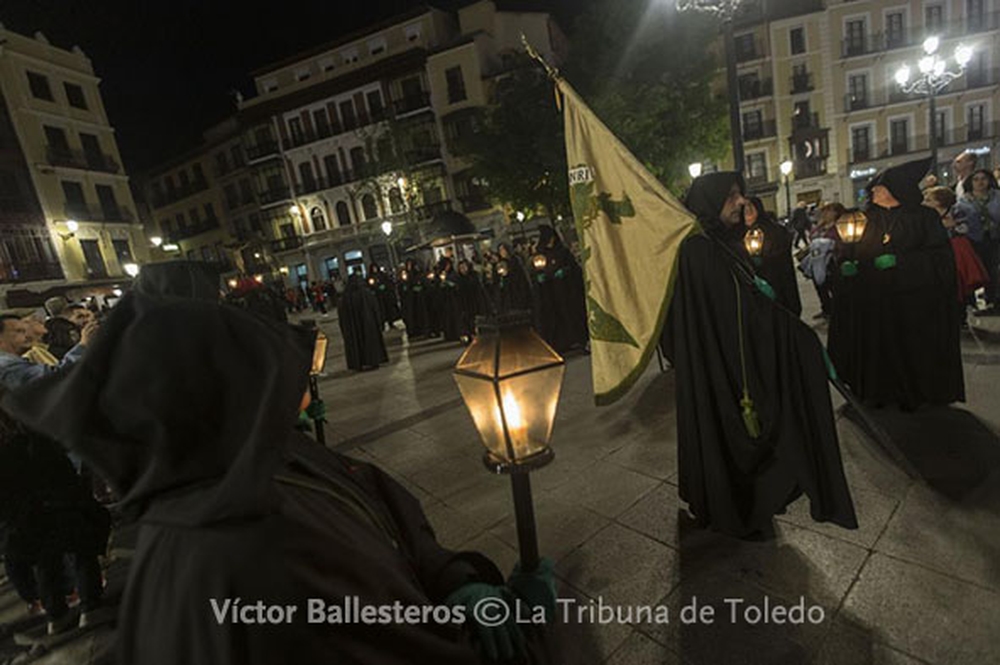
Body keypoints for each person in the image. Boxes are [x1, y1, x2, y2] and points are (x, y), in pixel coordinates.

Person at [1, 293, 556, 664]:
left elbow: (375, 500)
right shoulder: (247, 550)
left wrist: (456, 578)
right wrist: (521, 627)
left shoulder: (264, 459)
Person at [660, 172, 857, 539]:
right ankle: (733, 506)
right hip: (725, 373)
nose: (740, 203)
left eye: (741, 195)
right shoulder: (698, 249)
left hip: (732, 365)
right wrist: (798, 338)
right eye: (732, 196)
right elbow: (730, 316)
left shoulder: (716, 243)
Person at [0, 315, 112, 636]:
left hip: (33, 474)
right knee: (76, 537)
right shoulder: (9, 370)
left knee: (46, 547)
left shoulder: (17, 366)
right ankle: (89, 605)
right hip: (41, 469)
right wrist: (82, 348)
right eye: (18, 330)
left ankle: (58, 613)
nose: (27, 334)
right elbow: (53, 380)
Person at [828, 158, 964, 409]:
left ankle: (916, 392)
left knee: (910, 350)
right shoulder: (865, 218)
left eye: (879, 188)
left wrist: (901, 262)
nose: (873, 192)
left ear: (896, 189)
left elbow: (940, 260)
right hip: (876, 301)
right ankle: (878, 391)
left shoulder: (923, 218)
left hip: (913, 304)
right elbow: (847, 250)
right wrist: (845, 265)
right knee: (879, 349)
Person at [531, 225, 589, 354]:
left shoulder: (562, 252)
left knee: (569, 316)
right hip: (550, 294)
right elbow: (536, 273)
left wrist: (565, 271)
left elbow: (573, 268)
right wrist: (540, 277)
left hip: (565, 292)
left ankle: (578, 340)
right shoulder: (540, 255)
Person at [741, 197, 801, 317]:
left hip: (777, 282)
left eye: (750, 205)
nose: (747, 209)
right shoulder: (739, 233)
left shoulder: (773, 230)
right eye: (744, 206)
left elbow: (782, 255)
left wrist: (763, 257)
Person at [954, 169, 1000, 312]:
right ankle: (971, 302)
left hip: (994, 238)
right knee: (975, 269)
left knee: (992, 269)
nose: (980, 182)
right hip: (974, 239)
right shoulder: (964, 201)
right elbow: (959, 219)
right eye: (976, 179)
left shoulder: (997, 197)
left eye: (983, 179)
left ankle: (993, 299)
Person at [800, 203, 845, 319]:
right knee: (820, 287)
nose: (824, 214)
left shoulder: (840, 226)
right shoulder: (821, 226)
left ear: (836, 213)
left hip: (832, 261)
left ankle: (838, 310)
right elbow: (812, 237)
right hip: (818, 261)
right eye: (824, 211)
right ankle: (827, 309)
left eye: (828, 211)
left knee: (833, 287)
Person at [338, 273, 388, 371]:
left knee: (357, 343)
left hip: (353, 329)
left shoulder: (345, 297)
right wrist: (379, 322)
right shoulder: (367, 294)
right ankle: (373, 361)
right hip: (368, 325)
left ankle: (358, 363)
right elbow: (375, 309)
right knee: (370, 341)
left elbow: (342, 316)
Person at [494, 243, 533, 316]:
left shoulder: (515, 260)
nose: (502, 252)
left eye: (503, 250)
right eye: (500, 250)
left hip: (517, 287)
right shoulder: (501, 262)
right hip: (508, 290)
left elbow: (519, 274)